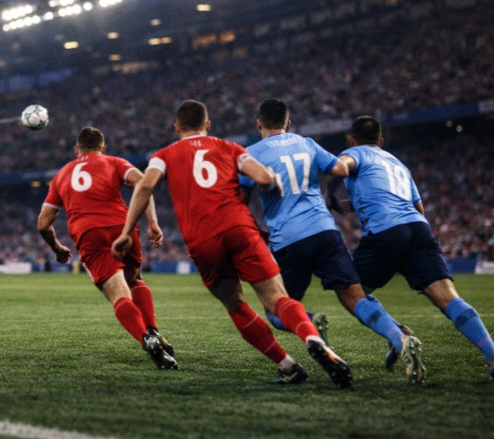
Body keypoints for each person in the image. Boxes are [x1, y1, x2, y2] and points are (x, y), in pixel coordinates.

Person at [112, 100, 353, 387]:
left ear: (177, 128)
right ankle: (313, 339)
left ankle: (287, 365)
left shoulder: (163, 155)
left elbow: (146, 185)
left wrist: (128, 231)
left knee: (235, 303)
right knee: (278, 298)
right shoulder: (229, 147)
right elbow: (264, 177)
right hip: (239, 228)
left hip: (203, 239)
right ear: (208, 125)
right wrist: (270, 183)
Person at [239, 100, 423, 382]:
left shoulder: (250, 153)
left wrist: (258, 232)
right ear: (288, 124)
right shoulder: (307, 143)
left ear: (258, 124)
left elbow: (240, 202)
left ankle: (310, 321)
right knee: (354, 298)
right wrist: (331, 196)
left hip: (288, 238)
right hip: (325, 231)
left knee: (277, 307)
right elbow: (339, 168)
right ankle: (399, 338)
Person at [329, 116, 494, 381]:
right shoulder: (399, 164)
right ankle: (492, 354)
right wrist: (355, 201)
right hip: (419, 230)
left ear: (351, 140)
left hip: (385, 232)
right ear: (381, 142)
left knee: (350, 292)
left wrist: (329, 194)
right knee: (448, 298)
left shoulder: (354, 152)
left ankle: (398, 336)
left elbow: (339, 167)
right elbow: (418, 208)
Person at [37, 126, 178, 369]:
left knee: (117, 294)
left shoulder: (61, 175)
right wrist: (152, 223)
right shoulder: (113, 161)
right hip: (122, 227)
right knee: (134, 280)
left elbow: (43, 224)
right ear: (103, 148)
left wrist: (57, 248)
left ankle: (146, 339)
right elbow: (144, 184)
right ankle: (153, 329)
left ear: (76, 150)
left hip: (89, 233)